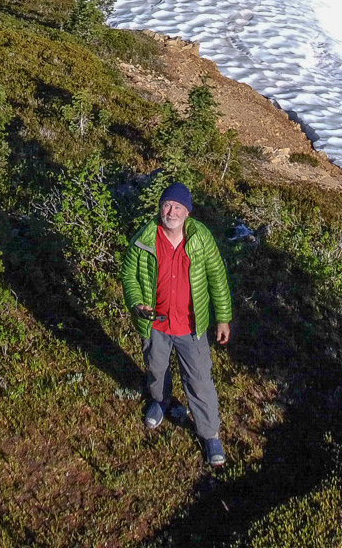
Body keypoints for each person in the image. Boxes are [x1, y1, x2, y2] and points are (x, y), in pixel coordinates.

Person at [122, 181, 233, 468]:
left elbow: (217, 279)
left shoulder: (200, 238)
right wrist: (137, 303)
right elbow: (129, 276)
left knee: (199, 380)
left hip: (190, 325)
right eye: (167, 205)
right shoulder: (146, 237)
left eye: (177, 207)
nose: (170, 211)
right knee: (156, 370)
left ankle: (209, 434)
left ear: (187, 212)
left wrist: (222, 318)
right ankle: (162, 402)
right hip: (155, 324)